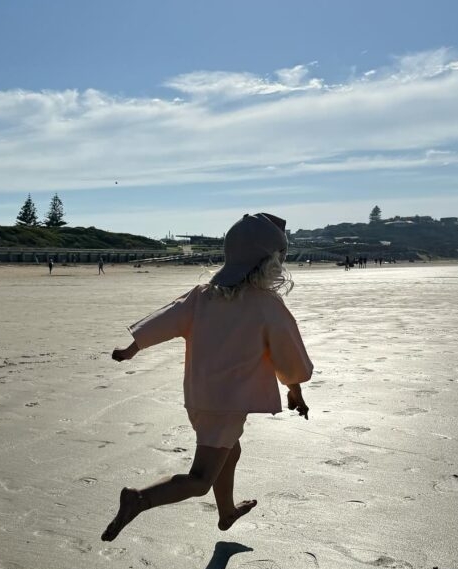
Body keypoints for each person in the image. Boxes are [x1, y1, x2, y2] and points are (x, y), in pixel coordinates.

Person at [101, 212, 313, 542]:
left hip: (199, 399)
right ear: (268, 262)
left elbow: (165, 320)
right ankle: (139, 499)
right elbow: (287, 353)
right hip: (228, 405)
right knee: (200, 479)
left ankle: (226, 512)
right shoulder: (265, 305)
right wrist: (294, 388)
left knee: (230, 450)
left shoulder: (203, 295)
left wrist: (133, 347)